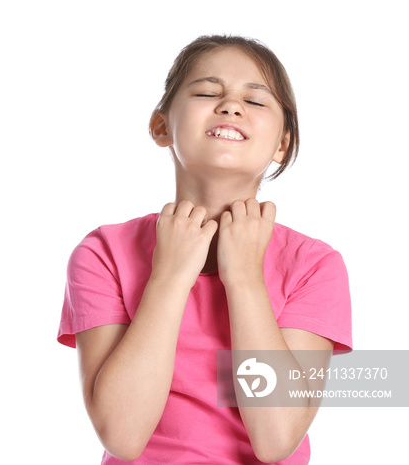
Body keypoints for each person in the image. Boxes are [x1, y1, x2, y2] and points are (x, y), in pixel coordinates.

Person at [57, 35, 352, 464]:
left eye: (256, 101)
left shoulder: (313, 265)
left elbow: (275, 439)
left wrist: (246, 279)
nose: (231, 105)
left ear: (282, 143)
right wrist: (170, 276)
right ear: (161, 126)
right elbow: (122, 436)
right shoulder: (103, 252)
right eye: (208, 92)